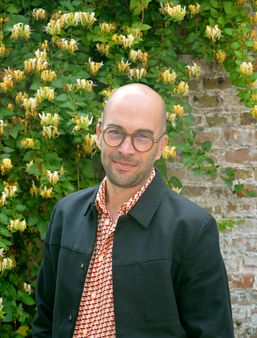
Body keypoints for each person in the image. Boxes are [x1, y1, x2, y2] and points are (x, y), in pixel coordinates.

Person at [32, 83, 234, 338]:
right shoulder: (65, 213)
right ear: (98, 134)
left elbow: (213, 333)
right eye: (115, 132)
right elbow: (45, 321)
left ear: (161, 146)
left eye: (142, 137)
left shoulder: (192, 228)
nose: (125, 150)